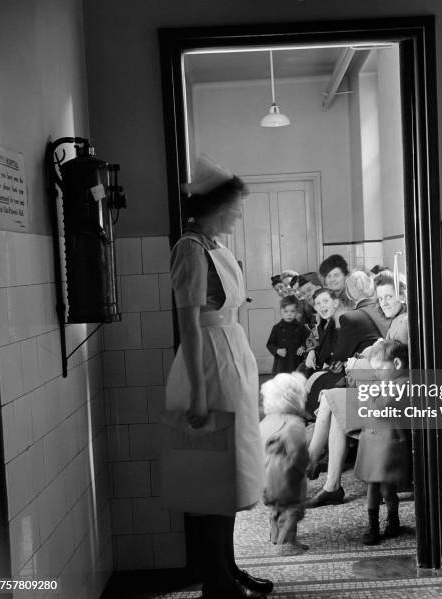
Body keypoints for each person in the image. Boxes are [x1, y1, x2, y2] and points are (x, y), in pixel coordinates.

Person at [167, 153, 272, 599]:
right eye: (235, 205)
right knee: (212, 479)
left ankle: (228, 568)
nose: (239, 212)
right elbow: (188, 324)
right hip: (208, 365)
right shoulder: (189, 248)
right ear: (214, 206)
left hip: (231, 359)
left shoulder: (217, 247)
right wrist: (198, 391)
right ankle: (216, 582)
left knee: (228, 474)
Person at [304, 270, 391, 417]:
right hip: (384, 370)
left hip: (364, 375)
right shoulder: (383, 311)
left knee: (315, 380)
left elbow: (338, 357)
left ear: (348, 293)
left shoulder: (350, 318)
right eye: (317, 303)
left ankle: (314, 420)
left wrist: (324, 369)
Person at [354, 340, 411, 545]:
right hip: (372, 441)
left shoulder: (404, 383)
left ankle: (393, 520)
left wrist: (371, 395)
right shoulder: (383, 384)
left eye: (380, 369)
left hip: (388, 444)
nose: (376, 374)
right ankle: (373, 526)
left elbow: (381, 406)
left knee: (387, 488)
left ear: (396, 364)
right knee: (373, 486)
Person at [259, 373, 309, 551]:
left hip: (264, 478)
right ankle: (287, 544)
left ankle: (274, 534)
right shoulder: (294, 423)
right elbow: (298, 452)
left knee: (275, 507)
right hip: (285, 477)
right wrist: (304, 467)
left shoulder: (265, 422)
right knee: (292, 509)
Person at [300, 287, 339, 383]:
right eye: (318, 303)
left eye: (325, 301)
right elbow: (316, 343)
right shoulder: (321, 326)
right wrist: (312, 351)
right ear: (315, 308)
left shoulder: (339, 324)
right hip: (320, 367)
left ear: (335, 303)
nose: (322, 306)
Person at [266, 296, 308, 375]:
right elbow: (270, 344)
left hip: (297, 360)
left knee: (297, 381)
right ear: (281, 311)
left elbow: (306, 341)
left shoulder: (301, 327)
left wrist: (303, 347)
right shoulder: (277, 328)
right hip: (282, 363)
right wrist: (277, 350)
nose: (289, 314)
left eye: (292, 311)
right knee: (283, 383)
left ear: (296, 312)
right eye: (286, 311)